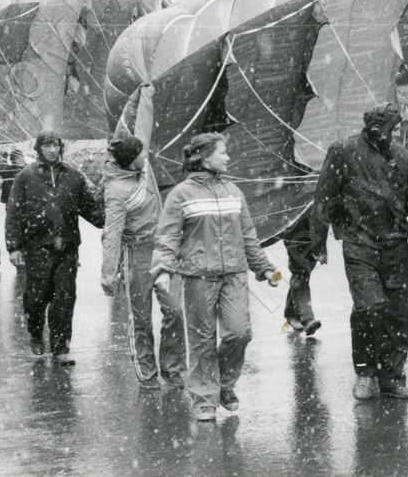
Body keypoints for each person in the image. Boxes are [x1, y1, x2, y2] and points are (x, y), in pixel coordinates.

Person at [309, 102, 408, 401]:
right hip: (360, 243)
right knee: (370, 308)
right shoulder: (343, 151)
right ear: (378, 128)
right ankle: (366, 371)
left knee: (398, 312)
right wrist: (317, 243)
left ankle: (392, 377)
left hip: (395, 245)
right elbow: (324, 197)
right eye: (393, 128)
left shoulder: (402, 157)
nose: (396, 133)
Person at [151, 132, 283, 421]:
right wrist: (162, 269)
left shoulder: (234, 191)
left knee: (239, 333)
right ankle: (204, 399)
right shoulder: (181, 194)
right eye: (222, 152)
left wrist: (264, 268)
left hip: (234, 274)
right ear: (204, 157)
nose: (228, 157)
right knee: (202, 339)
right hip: (198, 276)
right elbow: (167, 236)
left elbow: (248, 236)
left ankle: (223, 383)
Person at [101, 84, 185, 389]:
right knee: (141, 318)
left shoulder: (141, 163)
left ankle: (172, 368)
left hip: (162, 249)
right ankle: (147, 372)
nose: (144, 153)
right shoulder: (116, 191)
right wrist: (108, 274)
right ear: (130, 160)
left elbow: (140, 127)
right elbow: (112, 235)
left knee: (175, 311)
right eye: (139, 153)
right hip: (135, 255)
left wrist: (143, 96)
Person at [6, 130, 105, 364]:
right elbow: (14, 212)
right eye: (47, 145)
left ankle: (61, 348)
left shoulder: (74, 176)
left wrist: (111, 214)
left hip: (67, 247)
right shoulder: (25, 177)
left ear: (61, 148)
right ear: (39, 149)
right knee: (36, 298)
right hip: (36, 246)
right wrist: (14, 246)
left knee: (64, 298)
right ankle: (35, 332)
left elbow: (90, 209)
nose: (52, 150)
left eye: (56, 145)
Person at [281, 213, 322, 336]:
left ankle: (291, 312)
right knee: (301, 271)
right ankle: (307, 318)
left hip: (314, 226)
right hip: (294, 226)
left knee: (305, 270)